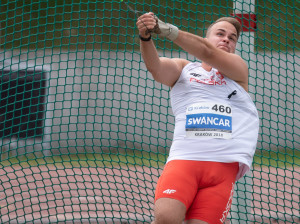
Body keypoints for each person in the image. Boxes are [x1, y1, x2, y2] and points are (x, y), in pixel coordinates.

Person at [136, 12, 259, 224]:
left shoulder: (238, 70)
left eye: (232, 38)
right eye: (220, 34)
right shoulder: (184, 69)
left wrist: (166, 29)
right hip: (184, 162)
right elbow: (156, 69)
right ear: (206, 37)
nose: (226, 39)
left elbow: (207, 52)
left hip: (222, 170)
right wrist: (145, 38)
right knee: (166, 219)